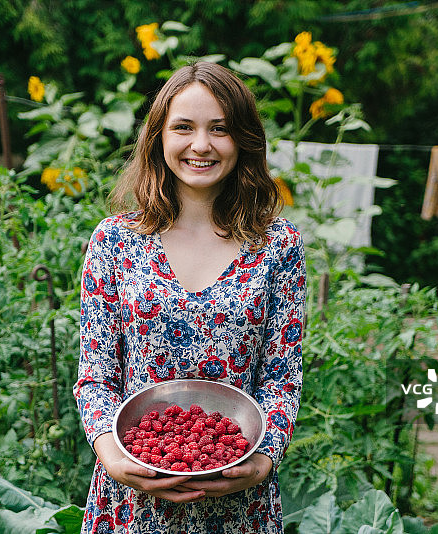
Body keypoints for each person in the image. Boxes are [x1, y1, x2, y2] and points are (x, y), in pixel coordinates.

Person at [73, 61, 306, 534]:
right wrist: (112, 455)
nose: (201, 145)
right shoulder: (116, 241)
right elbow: (96, 376)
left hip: (239, 505)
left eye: (219, 129)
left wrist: (261, 460)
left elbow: (281, 378)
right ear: (158, 136)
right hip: (132, 505)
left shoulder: (278, 246)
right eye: (184, 127)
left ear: (243, 140)